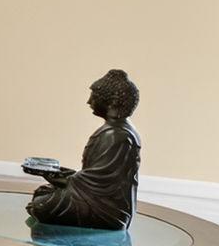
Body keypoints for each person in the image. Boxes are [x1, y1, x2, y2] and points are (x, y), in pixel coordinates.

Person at [27, 69, 141, 230]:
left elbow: (95, 185)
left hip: (106, 209)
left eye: (94, 97)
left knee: (42, 204)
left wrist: (55, 176)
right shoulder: (115, 131)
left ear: (112, 102)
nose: (89, 101)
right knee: (43, 192)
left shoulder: (117, 135)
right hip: (94, 197)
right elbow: (93, 176)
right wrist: (58, 174)